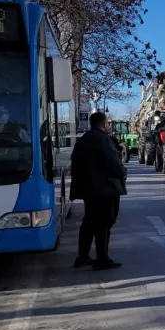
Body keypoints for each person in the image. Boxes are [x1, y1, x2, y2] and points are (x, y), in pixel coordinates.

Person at [70, 111, 127, 270]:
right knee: (104, 224)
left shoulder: (83, 140)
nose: (108, 125)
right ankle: (102, 258)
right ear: (103, 124)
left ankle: (83, 256)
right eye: (107, 123)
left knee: (89, 222)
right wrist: (123, 172)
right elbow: (113, 163)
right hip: (105, 190)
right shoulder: (104, 140)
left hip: (89, 190)